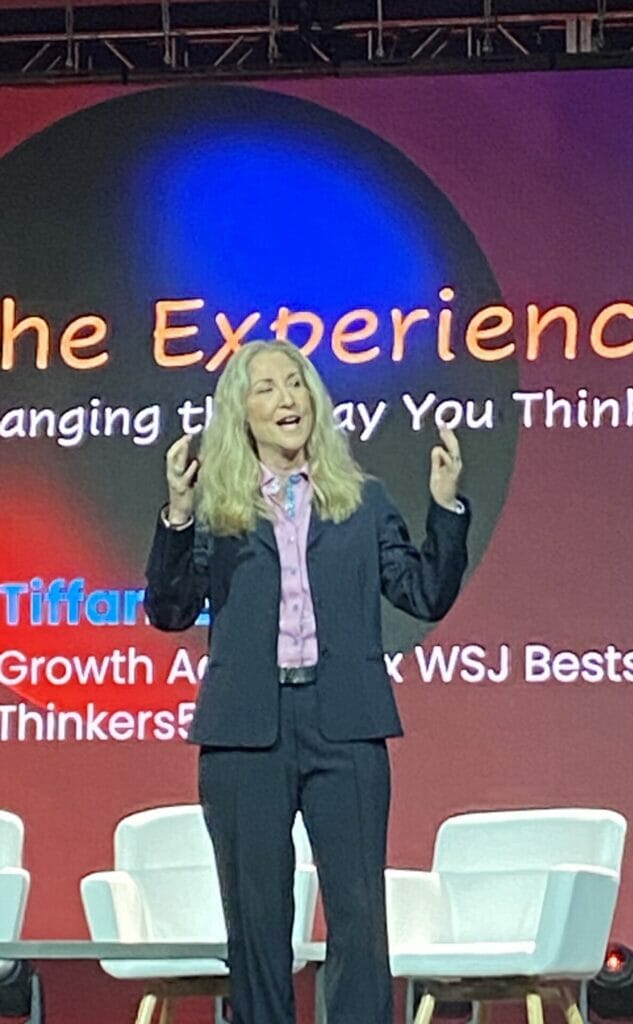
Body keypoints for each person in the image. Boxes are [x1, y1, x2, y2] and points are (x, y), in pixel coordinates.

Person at [144, 339, 470, 1024]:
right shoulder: (217, 510)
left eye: (295, 384)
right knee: (257, 923)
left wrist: (445, 507)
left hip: (344, 724)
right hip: (245, 734)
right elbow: (170, 611)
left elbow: (423, 593)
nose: (286, 399)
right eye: (266, 388)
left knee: (359, 917)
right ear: (241, 413)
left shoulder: (362, 501)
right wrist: (176, 514)